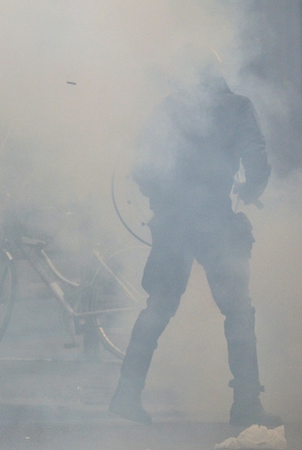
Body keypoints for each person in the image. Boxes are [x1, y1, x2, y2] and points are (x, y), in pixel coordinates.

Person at [108, 51, 281, 428]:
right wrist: (251, 191)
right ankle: (247, 404)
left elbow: (140, 165)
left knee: (158, 307)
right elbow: (258, 161)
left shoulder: (169, 108)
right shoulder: (237, 106)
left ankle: (125, 394)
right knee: (238, 310)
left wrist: (166, 198)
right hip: (213, 221)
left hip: (172, 222)